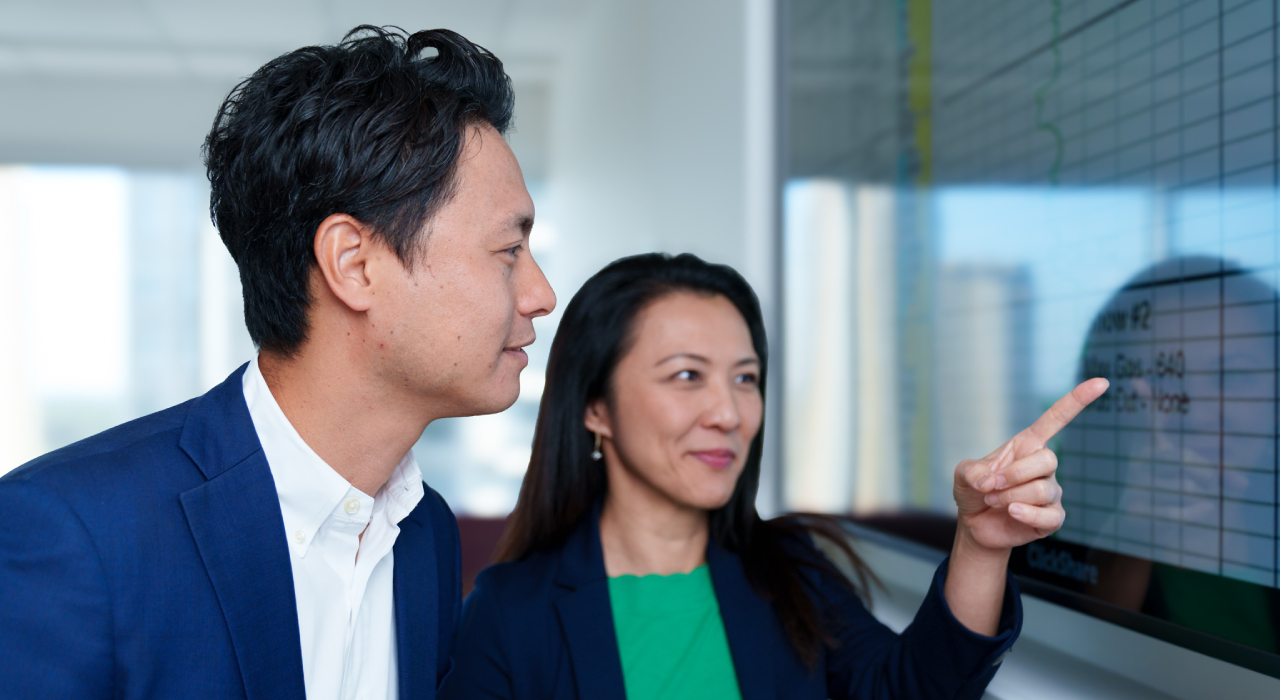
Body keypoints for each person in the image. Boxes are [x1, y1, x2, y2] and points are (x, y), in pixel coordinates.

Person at [0, 26, 554, 700]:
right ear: (354, 265)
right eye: (508, 251)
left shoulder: (425, 532)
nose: (541, 294)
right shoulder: (78, 532)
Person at [440, 253, 1106, 700]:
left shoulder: (789, 571)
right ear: (596, 407)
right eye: (687, 376)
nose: (728, 413)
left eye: (745, 378)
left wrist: (982, 544)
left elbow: (912, 690)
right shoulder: (509, 613)